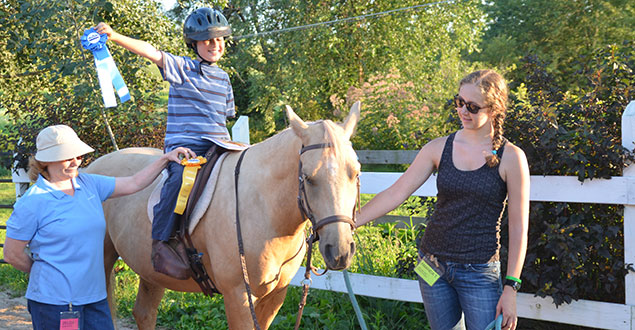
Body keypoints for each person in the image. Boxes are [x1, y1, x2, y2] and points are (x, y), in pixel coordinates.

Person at [356, 70, 530, 330]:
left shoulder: (511, 158)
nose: (463, 111)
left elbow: (518, 229)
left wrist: (511, 287)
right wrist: (349, 222)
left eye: (472, 106)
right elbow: (396, 192)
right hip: (432, 265)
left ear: (494, 109)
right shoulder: (438, 148)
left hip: (479, 272)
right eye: (459, 102)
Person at [3, 124, 194, 330]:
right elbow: (12, 254)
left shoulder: (89, 184)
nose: (75, 162)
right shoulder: (33, 202)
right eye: (67, 157)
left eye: (78, 156)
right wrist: (46, 272)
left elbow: (134, 183)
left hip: (94, 297)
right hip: (54, 302)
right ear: (46, 161)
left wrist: (165, 159)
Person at [94, 7, 236, 279]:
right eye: (207, 40)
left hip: (220, 146)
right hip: (187, 147)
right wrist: (115, 36)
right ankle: (161, 243)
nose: (214, 45)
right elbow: (151, 52)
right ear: (194, 44)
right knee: (181, 177)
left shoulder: (225, 79)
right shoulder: (183, 68)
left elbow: (225, 117)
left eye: (219, 40)